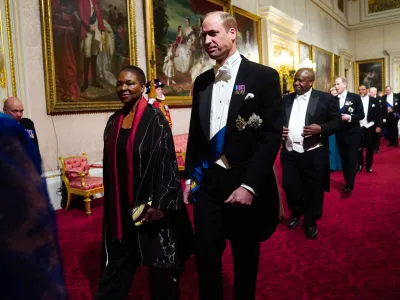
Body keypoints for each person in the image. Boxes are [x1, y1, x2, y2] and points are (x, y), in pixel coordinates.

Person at [184, 11, 283, 300]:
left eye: (213, 33)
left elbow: (270, 136)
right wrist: (191, 176)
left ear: (232, 33)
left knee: (244, 260)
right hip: (207, 186)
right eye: (203, 34)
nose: (206, 40)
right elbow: (196, 136)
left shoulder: (263, 77)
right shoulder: (201, 81)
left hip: (244, 184)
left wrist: (250, 184)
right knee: (205, 257)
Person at [95, 66, 193, 300]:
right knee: (118, 257)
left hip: (147, 207)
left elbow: (166, 164)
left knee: (158, 264)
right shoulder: (113, 122)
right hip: (120, 208)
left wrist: (160, 205)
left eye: (130, 83)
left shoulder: (155, 120)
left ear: (142, 86)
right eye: (119, 84)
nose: (123, 88)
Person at [0, 113, 67, 299]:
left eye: (21, 110)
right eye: (15, 110)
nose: (19, 114)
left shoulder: (6, 131)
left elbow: (32, 220)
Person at [281, 69, 341, 239]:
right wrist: (279, 130)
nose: (296, 83)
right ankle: (296, 211)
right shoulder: (286, 99)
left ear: (311, 82)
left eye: (301, 80)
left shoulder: (325, 99)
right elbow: (277, 120)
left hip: (313, 152)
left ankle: (310, 220)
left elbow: (336, 122)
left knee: (314, 189)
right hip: (289, 152)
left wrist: (321, 128)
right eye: (295, 80)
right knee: (289, 185)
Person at [334, 77, 365, 193]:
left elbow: (361, 115)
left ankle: (349, 184)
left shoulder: (355, 97)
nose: (336, 87)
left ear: (345, 84)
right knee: (344, 159)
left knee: (351, 158)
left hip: (353, 133)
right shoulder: (333, 99)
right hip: (340, 133)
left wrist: (350, 117)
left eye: (338, 84)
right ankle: (347, 180)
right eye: (335, 84)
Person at [357, 85, 382, 173]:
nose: (361, 91)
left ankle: (368, 166)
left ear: (367, 90)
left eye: (363, 89)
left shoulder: (374, 100)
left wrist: (379, 126)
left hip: (370, 126)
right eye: (359, 90)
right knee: (358, 147)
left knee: (369, 147)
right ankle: (360, 164)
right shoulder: (356, 100)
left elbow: (379, 114)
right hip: (359, 126)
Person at [328, 87, 342, 171]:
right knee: (332, 147)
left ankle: (339, 165)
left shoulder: (342, 102)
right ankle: (332, 166)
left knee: (339, 146)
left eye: (335, 94)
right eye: (332, 94)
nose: (334, 96)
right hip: (331, 126)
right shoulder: (327, 103)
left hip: (341, 127)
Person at [369, 87, 384, 152]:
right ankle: (371, 147)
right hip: (370, 120)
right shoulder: (368, 99)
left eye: (371, 92)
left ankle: (376, 148)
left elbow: (383, 110)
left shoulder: (380, 99)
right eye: (369, 92)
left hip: (377, 120)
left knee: (377, 134)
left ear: (375, 92)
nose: (370, 93)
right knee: (370, 135)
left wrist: (384, 118)